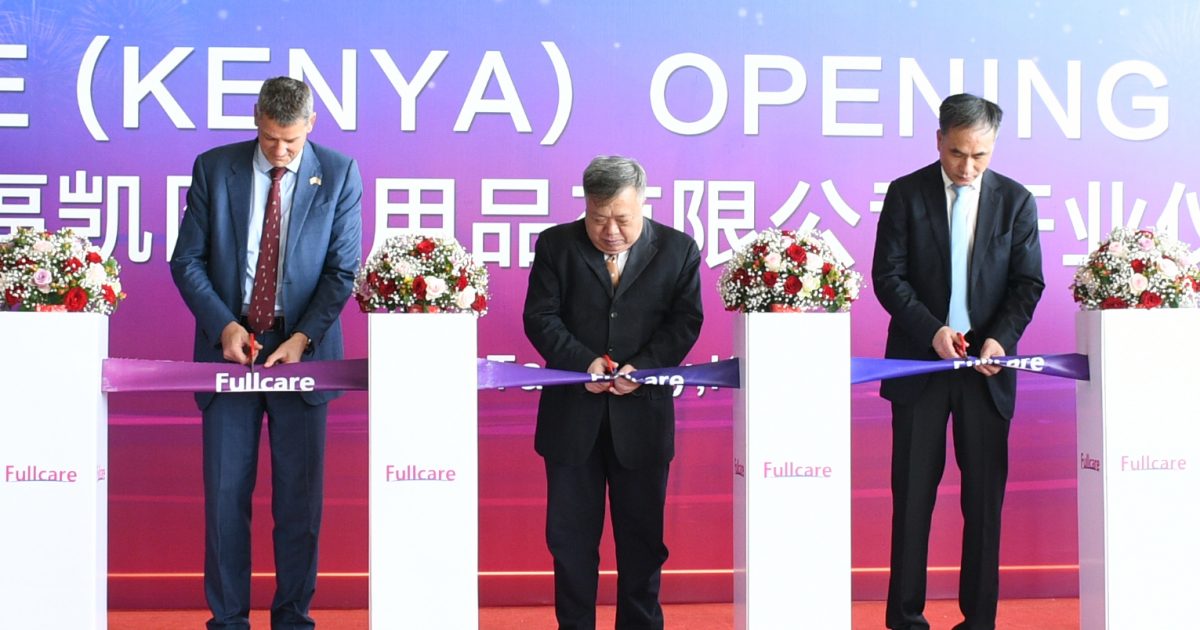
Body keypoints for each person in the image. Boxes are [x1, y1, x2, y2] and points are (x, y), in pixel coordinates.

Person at [170, 76, 362, 630]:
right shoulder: (215, 168)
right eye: (271, 137)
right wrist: (223, 326)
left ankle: (293, 618)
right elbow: (187, 261)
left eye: (292, 141)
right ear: (256, 117)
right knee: (225, 497)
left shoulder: (339, 173)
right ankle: (228, 621)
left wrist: (303, 338)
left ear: (311, 125)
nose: (280, 151)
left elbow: (341, 271)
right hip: (230, 349)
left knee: (299, 504)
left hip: (302, 351)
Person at [872, 93, 1044, 630]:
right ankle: (905, 618)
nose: (967, 168)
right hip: (920, 368)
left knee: (984, 505)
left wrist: (1000, 340)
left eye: (980, 155)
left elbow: (1027, 283)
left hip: (986, 372)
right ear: (938, 140)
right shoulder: (906, 194)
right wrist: (933, 331)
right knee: (912, 499)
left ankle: (979, 621)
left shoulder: (1015, 201)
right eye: (956, 153)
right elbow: (888, 277)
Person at [523, 156, 704, 629]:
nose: (610, 231)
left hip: (642, 416)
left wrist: (642, 368)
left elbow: (685, 321)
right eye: (598, 218)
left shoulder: (678, 249)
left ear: (643, 201)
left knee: (643, 543)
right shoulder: (556, 245)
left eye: (622, 218)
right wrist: (582, 362)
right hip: (572, 419)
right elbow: (540, 316)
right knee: (570, 542)